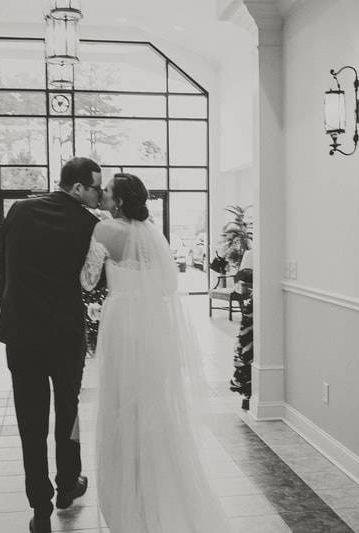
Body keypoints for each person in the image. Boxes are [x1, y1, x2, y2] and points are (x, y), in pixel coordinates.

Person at [80, 173, 233, 532]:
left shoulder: (104, 230)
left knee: (121, 402)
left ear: (118, 200)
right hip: (151, 323)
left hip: (122, 323)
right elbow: (168, 284)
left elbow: (87, 280)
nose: (102, 194)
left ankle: (128, 490)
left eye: (107, 191)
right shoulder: (151, 233)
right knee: (151, 400)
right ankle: (157, 479)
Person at [0, 157, 102, 533]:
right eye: (95, 187)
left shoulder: (20, 210)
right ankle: (68, 485)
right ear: (77, 188)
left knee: (30, 418)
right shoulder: (89, 224)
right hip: (65, 333)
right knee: (67, 409)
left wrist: (11, 308)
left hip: (21, 332)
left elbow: (0, 265)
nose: (99, 194)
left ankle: (39, 504)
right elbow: (91, 280)